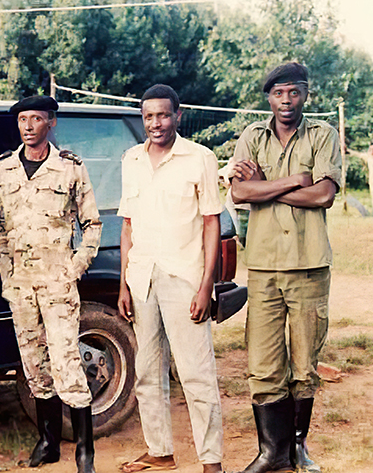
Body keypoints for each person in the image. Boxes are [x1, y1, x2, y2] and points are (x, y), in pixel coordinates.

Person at [229, 63, 342, 473]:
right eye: (278, 94)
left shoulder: (323, 135)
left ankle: (297, 447)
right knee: (262, 362)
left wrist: (267, 187)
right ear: (269, 98)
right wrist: (296, 180)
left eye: (293, 93)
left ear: (306, 94)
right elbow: (240, 191)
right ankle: (270, 453)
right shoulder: (252, 136)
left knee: (304, 361)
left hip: (309, 263)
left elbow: (324, 195)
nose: (286, 101)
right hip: (262, 267)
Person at [116, 84, 225, 473]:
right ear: (142, 119)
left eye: (163, 115)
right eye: (148, 116)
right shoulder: (131, 159)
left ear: (177, 116)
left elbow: (211, 224)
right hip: (142, 278)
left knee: (196, 374)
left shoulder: (200, 158)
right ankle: (160, 451)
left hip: (185, 277)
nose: (156, 123)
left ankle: (211, 461)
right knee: (147, 372)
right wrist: (124, 284)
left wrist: (205, 285)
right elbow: (127, 226)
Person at [0, 95, 102, 473]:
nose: (28, 125)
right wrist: (7, 274)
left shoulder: (69, 168)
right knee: (34, 365)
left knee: (67, 361)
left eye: (36, 118)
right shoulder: (4, 169)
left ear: (50, 123)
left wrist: (74, 268)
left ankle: (85, 450)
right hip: (21, 286)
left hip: (57, 283)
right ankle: (48, 441)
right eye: (22, 119)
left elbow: (92, 226)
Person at [345, 141, 373, 218]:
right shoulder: (368, 157)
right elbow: (359, 155)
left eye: (372, 149)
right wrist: (348, 150)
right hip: (372, 181)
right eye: (370, 148)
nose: (371, 150)